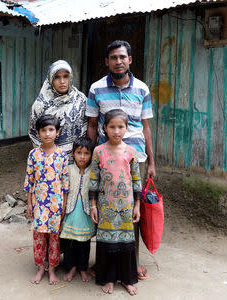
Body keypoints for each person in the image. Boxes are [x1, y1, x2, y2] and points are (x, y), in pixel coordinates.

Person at [86, 40, 155, 279]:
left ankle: (132, 264)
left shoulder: (142, 89)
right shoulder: (96, 89)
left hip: (134, 158)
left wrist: (152, 163)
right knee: (104, 210)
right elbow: (92, 125)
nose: (118, 61)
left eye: (122, 57)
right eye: (113, 57)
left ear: (130, 60)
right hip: (105, 159)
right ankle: (102, 263)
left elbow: (146, 128)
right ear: (107, 62)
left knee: (132, 212)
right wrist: (88, 158)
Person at [89, 109, 142, 296]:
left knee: (126, 243)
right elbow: (94, 180)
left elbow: (137, 180)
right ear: (104, 128)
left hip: (126, 206)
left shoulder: (131, 152)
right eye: (112, 127)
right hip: (106, 207)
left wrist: (137, 205)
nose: (116, 131)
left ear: (127, 128)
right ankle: (109, 278)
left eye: (120, 127)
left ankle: (127, 280)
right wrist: (93, 205)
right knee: (106, 243)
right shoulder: (98, 151)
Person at [24, 114, 69, 285]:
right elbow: (29, 180)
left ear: (57, 132)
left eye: (51, 130)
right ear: (38, 132)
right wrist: (29, 203)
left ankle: (52, 269)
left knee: (54, 237)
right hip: (39, 203)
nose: (48, 133)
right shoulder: (33, 154)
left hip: (56, 203)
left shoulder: (62, 155)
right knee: (39, 236)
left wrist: (63, 204)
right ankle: (40, 268)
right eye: (44, 130)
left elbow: (65, 181)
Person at [29, 60, 88, 155]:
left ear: (71, 78)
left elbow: (86, 129)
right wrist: (46, 158)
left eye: (66, 76)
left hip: (76, 160)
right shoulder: (40, 105)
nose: (62, 81)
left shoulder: (81, 100)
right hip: (50, 161)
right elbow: (34, 135)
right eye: (57, 77)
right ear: (50, 79)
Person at [60, 137, 95, 283]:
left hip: (85, 211)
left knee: (84, 242)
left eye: (86, 153)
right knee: (69, 241)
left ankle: (82, 268)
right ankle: (71, 267)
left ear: (91, 155)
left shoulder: (93, 171)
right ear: (73, 153)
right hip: (70, 210)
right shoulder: (68, 169)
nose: (82, 156)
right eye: (79, 152)